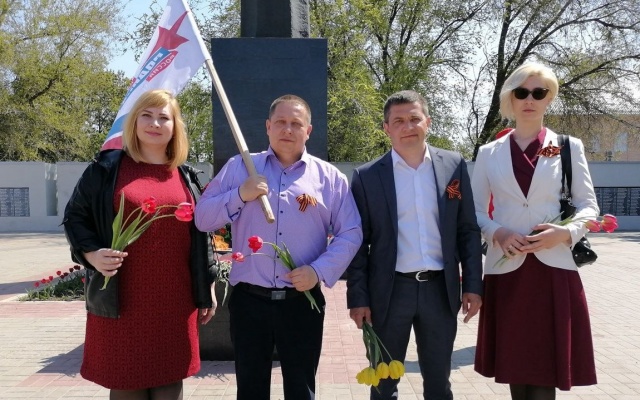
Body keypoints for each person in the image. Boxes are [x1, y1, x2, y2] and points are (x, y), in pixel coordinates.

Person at [194, 94, 363, 400]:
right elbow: (202, 218)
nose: (288, 129)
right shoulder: (239, 167)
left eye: (296, 123)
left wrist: (318, 271)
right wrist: (239, 195)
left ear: (308, 131)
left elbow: (351, 232)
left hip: (302, 302)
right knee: (250, 390)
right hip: (249, 302)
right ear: (268, 127)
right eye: (281, 122)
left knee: (301, 390)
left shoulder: (329, 178)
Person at [63, 89, 215, 400]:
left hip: (175, 302)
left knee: (170, 383)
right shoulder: (106, 169)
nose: (154, 123)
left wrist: (207, 285)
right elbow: (75, 217)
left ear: (175, 126)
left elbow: (201, 236)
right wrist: (91, 253)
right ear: (134, 121)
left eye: (164, 117)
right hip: (121, 301)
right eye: (147, 115)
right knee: (126, 383)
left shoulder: (185, 175)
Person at [471, 62, 599, 400]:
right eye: (521, 92)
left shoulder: (568, 147)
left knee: (545, 367)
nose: (530, 99)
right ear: (510, 98)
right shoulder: (488, 153)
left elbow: (589, 207)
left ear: (549, 99)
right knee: (516, 364)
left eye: (539, 92)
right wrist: (497, 233)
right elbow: (474, 211)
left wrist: (564, 234)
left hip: (553, 269)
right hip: (507, 270)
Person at [347, 90, 484, 400]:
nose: (407, 126)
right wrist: (358, 298)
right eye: (398, 121)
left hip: (440, 292)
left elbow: (467, 230)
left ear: (428, 122)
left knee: (439, 384)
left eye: (414, 118)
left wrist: (473, 286)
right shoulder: (367, 177)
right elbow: (357, 244)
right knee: (383, 385)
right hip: (389, 294)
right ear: (386, 128)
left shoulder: (453, 165)